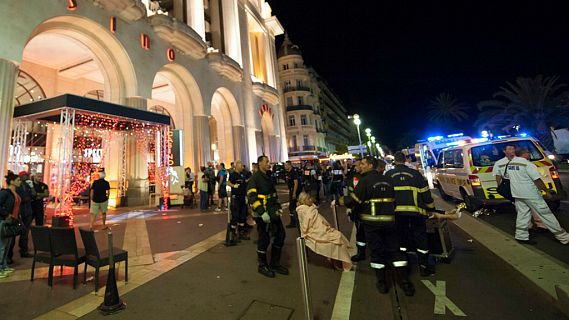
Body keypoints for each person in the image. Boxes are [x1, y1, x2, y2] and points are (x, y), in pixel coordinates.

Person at [339, 156, 414, 295]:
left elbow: (354, 200)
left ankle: (382, 282)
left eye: (362, 164)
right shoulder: (387, 179)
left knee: (377, 252)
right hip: (390, 222)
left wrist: (341, 200)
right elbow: (394, 200)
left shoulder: (365, 181)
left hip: (372, 223)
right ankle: (405, 282)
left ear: (370, 165)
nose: (360, 166)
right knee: (395, 251)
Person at [386, 151, 436, 277]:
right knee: (420, 237)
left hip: (397, 214)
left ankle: (405, 265)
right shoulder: (415, 174)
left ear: (395, 161)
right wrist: (431, 209)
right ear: (405, 160)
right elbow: (426, 194)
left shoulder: (388, 175)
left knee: (401, 238)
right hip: (416, 213)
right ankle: (424, 266)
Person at [508, 147, 569, 245]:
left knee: (523, 214)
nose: (529, 154)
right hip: (531, 194)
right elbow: (537, 180)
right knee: (546, 214)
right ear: (525, 153)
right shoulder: (528, 164)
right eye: (528, 152)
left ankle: (521, 236)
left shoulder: (511, 164)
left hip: (518, 194)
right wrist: (546, 191)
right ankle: (564, 237)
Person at [247, 155, 288, 278]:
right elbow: (252, 197)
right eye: (266, 161)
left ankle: (275, 263)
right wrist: (261, 212)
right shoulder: (254, 179)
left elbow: (273, 194)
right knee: (264, 239)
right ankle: (262, 265)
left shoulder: (268, 176)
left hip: (273, 212)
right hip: (263, 214)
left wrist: (278, 207)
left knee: (280, 235)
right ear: (260, 163)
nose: (268, 163)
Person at [494, 144, 547, 230]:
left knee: (532, 207)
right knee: (521, 209)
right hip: (513, 187)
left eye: (513, 148)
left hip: (525, 186)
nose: (512, 150)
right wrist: (500, 186)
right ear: (504, 151)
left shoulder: (520, 161)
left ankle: (540, 225)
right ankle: (527, 226)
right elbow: (498, 175)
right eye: (510, 148)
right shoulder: (499, 163)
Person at [296, 192, 352, 271]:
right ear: (304, 200)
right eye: (308, 199)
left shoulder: (311, 208)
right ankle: (335, 259)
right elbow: (306, 224)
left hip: (320, 228)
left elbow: (319, 220)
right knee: (335, 238)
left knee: (337, 236)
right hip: (314, 231)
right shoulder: (302, 210)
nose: (311, 200)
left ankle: (337, 259)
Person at [8, 171, 35, 261]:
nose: (26, 177)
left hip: (27, 211)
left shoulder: (27, 185)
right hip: (19, 212)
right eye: (23, 176)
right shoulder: (14, 189)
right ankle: (9, 256)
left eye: (27, 175)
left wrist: (32, 188)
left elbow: (33, 195)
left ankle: (23, 250)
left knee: (25, 232)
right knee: (13, 234)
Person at [0, 171, 21, 277]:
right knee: (2, 245)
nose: (20, 182)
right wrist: (6, 214)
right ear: (11, 181)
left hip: (12, 221)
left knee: (8, 245)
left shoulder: (15, 193)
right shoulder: (5, 192)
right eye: (18, 180)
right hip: (4, 221)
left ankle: (4, 266)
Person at [347, 159, 367, 262]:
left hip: (365, 209)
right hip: (357, 209)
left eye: (359, 165)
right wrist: (349, 207)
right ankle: (361, 252)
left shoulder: (366, 177)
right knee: (360, 232)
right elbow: (350, 190)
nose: (356, 167)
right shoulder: (354, 176)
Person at [228, 160, 250, 244]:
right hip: (236, 197)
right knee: (235, 215)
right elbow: (228, 182)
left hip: (243, 197)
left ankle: (241, 232)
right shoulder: (233, 174)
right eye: (241, 166)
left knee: (243, 215)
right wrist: (233, 185)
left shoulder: (242, 174)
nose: (242, 167)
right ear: (237, 166)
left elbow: (244, 182)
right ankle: (233, 234)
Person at [284, 161, 301, 229]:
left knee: (292, 207)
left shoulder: (293, 172)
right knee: (293, 207)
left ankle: (294, 222)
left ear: (289, 165)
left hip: (294, 191)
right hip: (291, 191)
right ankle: (295, 221)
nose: (285, 167)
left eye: (286, 165)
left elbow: (296, 183)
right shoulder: (288, 173)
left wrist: (294, 193)